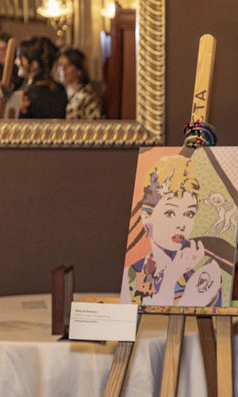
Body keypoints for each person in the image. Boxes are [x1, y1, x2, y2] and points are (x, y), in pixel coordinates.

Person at [120, 155, 223, 307]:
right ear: (146, 217)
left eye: (189, 214)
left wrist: (171, 275)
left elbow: (184, 312)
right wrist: (172, 274)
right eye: (170, 213)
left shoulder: (207, 268)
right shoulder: (131, 273)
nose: (181, 224)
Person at [16, 36, 67, 118]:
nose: (16, 61)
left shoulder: (32, 96)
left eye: (20, 58)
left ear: (34, 65)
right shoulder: (58, 88)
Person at [56, 47, 104, 119]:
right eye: (60, 65)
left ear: (79, 71)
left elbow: (97, 123)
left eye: (68, 65)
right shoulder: (61, 94)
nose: (63, 69)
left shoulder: (87, 97)